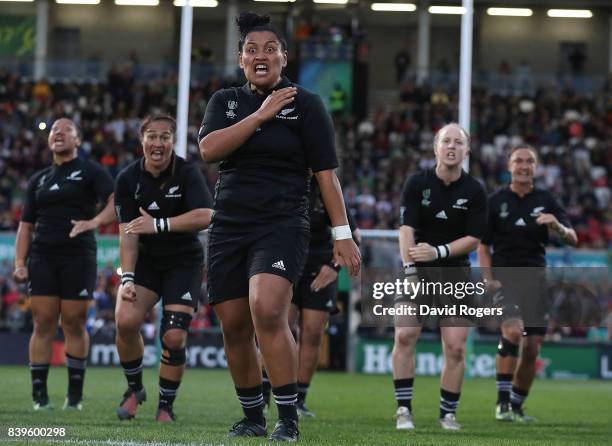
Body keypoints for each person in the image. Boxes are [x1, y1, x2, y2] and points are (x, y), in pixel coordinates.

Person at [198, 12, 360, 442]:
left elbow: (326, 174)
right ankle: (252, 416)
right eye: (252, 50)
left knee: (267, 309)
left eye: (270, 49)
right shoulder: (225, 102)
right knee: (233, 325)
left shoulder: (308, 105)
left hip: (283, 222)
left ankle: (287, 417)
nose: (261, 56)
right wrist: (261, 115)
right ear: (241, 59)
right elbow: (209, 150)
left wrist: (342, 234)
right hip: (230, 223)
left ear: (284, 57)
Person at [113, 114, 212, 422]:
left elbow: (207, 215)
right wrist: (127, 277)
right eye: (152, 136)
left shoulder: (187, 172)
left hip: (183, 262)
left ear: (173, 140)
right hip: (145, 263)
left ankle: (165, 406)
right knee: (125, 321)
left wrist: (158, 224)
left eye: (164, 137)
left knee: (173, 337)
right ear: (142, 140)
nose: (158, 143)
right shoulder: (127, 179)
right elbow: (128, 234)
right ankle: (134, 389)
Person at [13, 117, 115, 410]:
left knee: (73, 322)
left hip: (78, 256)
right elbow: (25, 226)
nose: (58, 134)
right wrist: (21, 261)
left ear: (78, 140)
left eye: (65, 130)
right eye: (54, 131)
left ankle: (74, 396)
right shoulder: (39, 179)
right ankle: (39, 396)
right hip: (43, 256)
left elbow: (116, 200)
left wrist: (94, 222)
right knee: (42, 322)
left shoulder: (90, 171)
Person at [392, 123, 487, 431]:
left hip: (456, 272)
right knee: (405, 336)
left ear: (466, 151)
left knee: (456, 347)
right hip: (417, 270)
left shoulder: (475, 190)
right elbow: (406, 231)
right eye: (446, 141)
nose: (451, 146)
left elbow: (474, 238)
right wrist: (410, 271)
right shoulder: (416, 183)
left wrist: (439, 252)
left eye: (458, 142)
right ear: (435, 148)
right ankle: (403, 410)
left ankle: (448, 413)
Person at [477, 144, 577, 422]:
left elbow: (573, 237)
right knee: (512, 332)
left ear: (535, 167)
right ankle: (502, 405)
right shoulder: (495, 201)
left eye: (529, 161)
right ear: (509, 166)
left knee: (532, 347)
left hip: (536, 279)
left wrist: (556, 226)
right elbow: (483, 247)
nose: (523, 165)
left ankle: (517, 406)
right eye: (518, 160)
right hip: (505, 279)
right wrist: (488, 279)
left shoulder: (548, 200)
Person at [262, 177, 360, 418]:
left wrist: (334, 267)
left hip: (321, 265)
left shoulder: (328, 187)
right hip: (287, 259)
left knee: (314, 332)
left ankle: (299, 398)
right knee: (281, 327)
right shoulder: (284, 184)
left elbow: (353, 236)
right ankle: (264, 392)